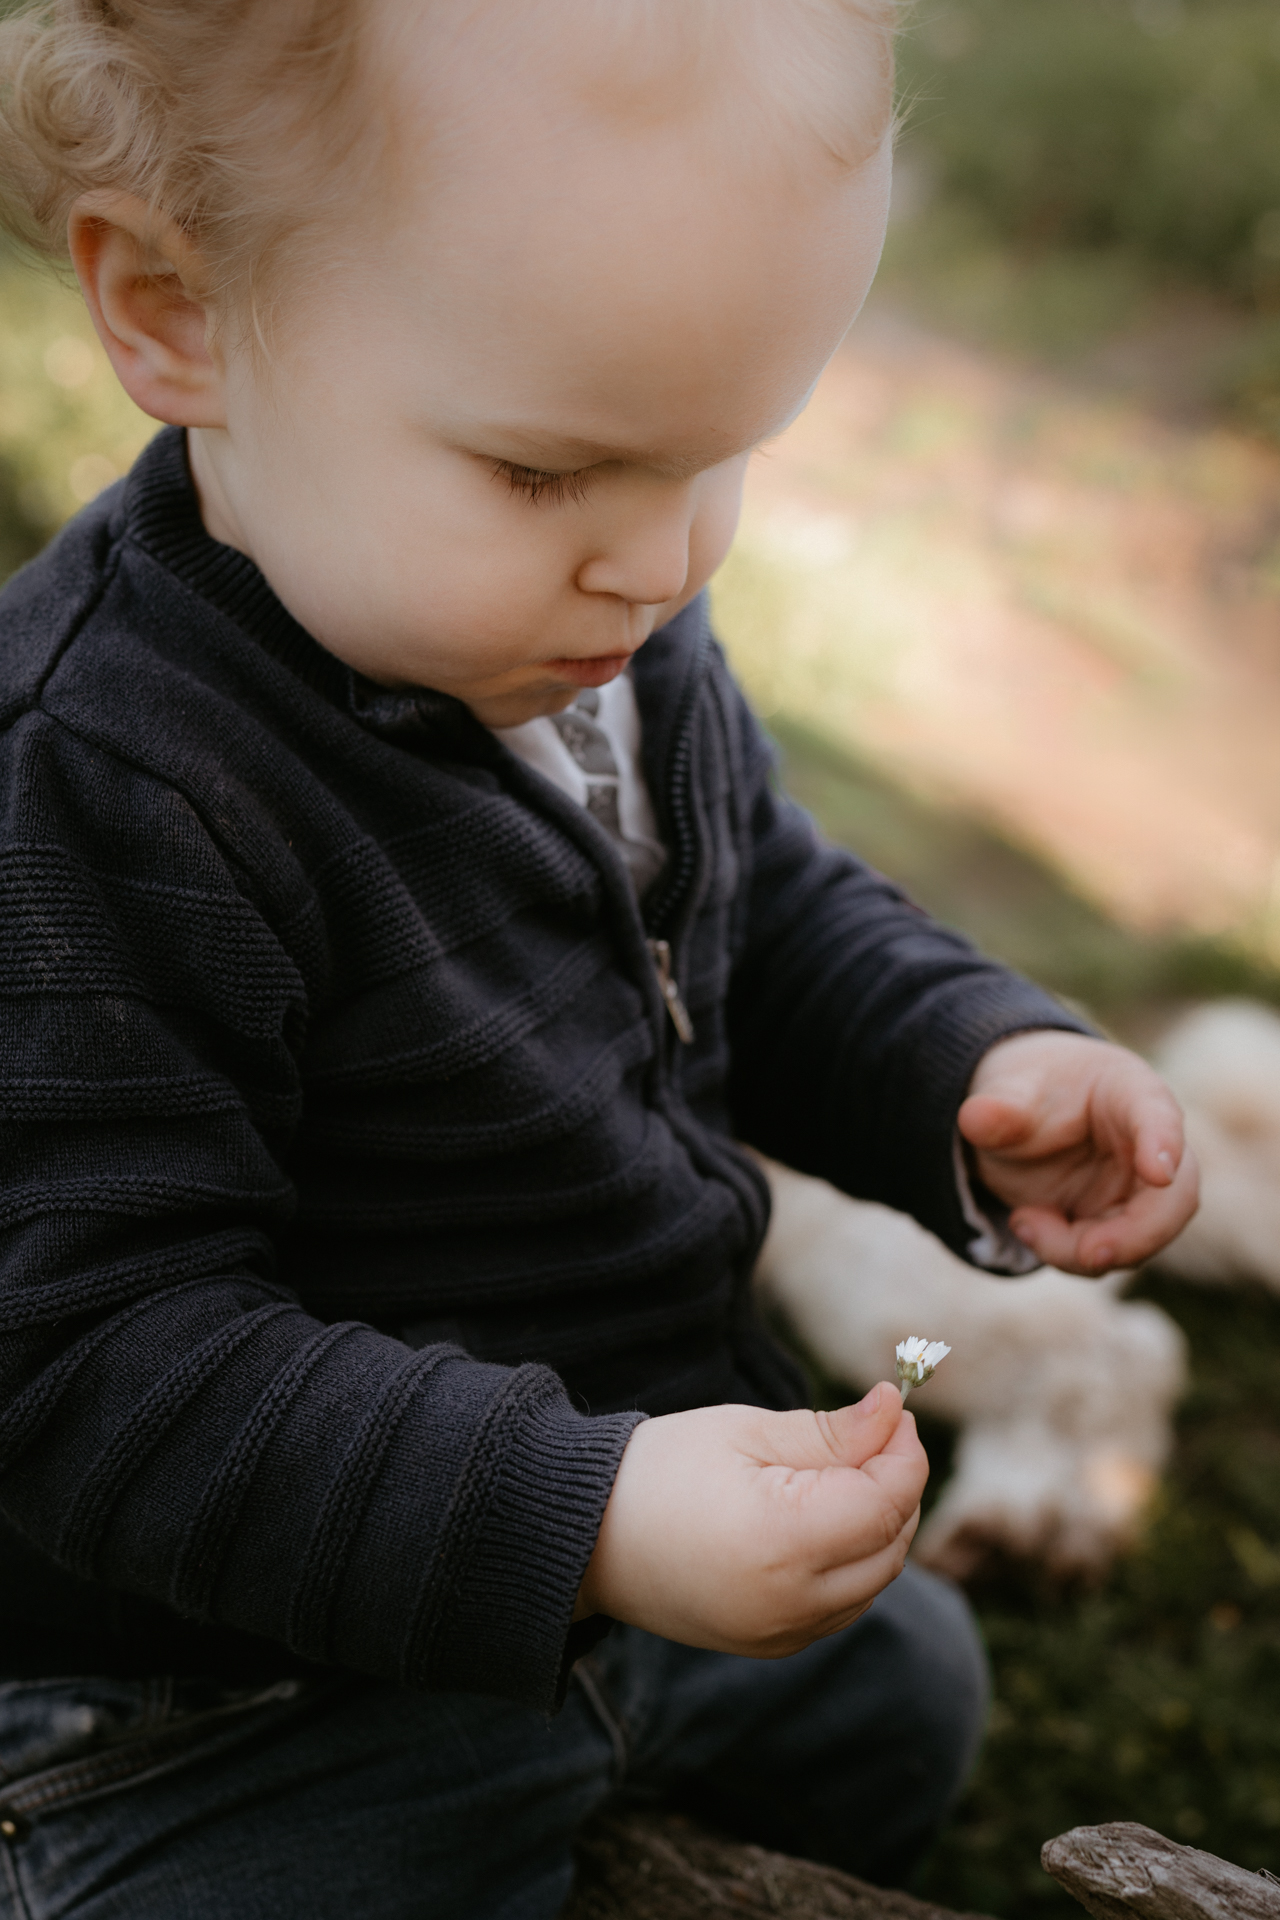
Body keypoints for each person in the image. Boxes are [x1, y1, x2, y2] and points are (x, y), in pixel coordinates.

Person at [0, 3, 1198, 1915]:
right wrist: (589, 1518)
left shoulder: (587, 636)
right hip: (230, 1691)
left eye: (723, 454)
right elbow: (85, 1365)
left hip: (623, 1549)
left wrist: (961, 1058)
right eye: (549, 474)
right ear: (174, 313)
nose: (661, 564)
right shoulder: (105, 786)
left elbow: (760, 906)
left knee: (902, 1697)